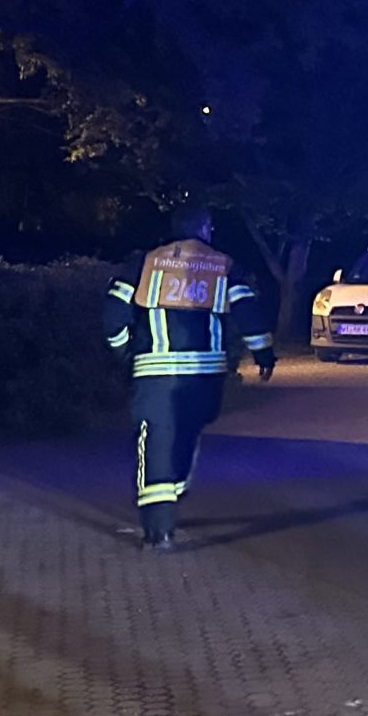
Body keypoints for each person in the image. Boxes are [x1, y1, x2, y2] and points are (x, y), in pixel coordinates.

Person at [101, 204, 274, 550]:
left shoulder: (145, 262)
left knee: (156, 442)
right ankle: (173, 495)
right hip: (205, 377)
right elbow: (248, 311)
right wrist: (263, 354)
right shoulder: (223, 265)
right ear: (205, 228)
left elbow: (114, 314)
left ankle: (159, 530)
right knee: (186, 436)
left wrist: (125, 350)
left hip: (156, 374)